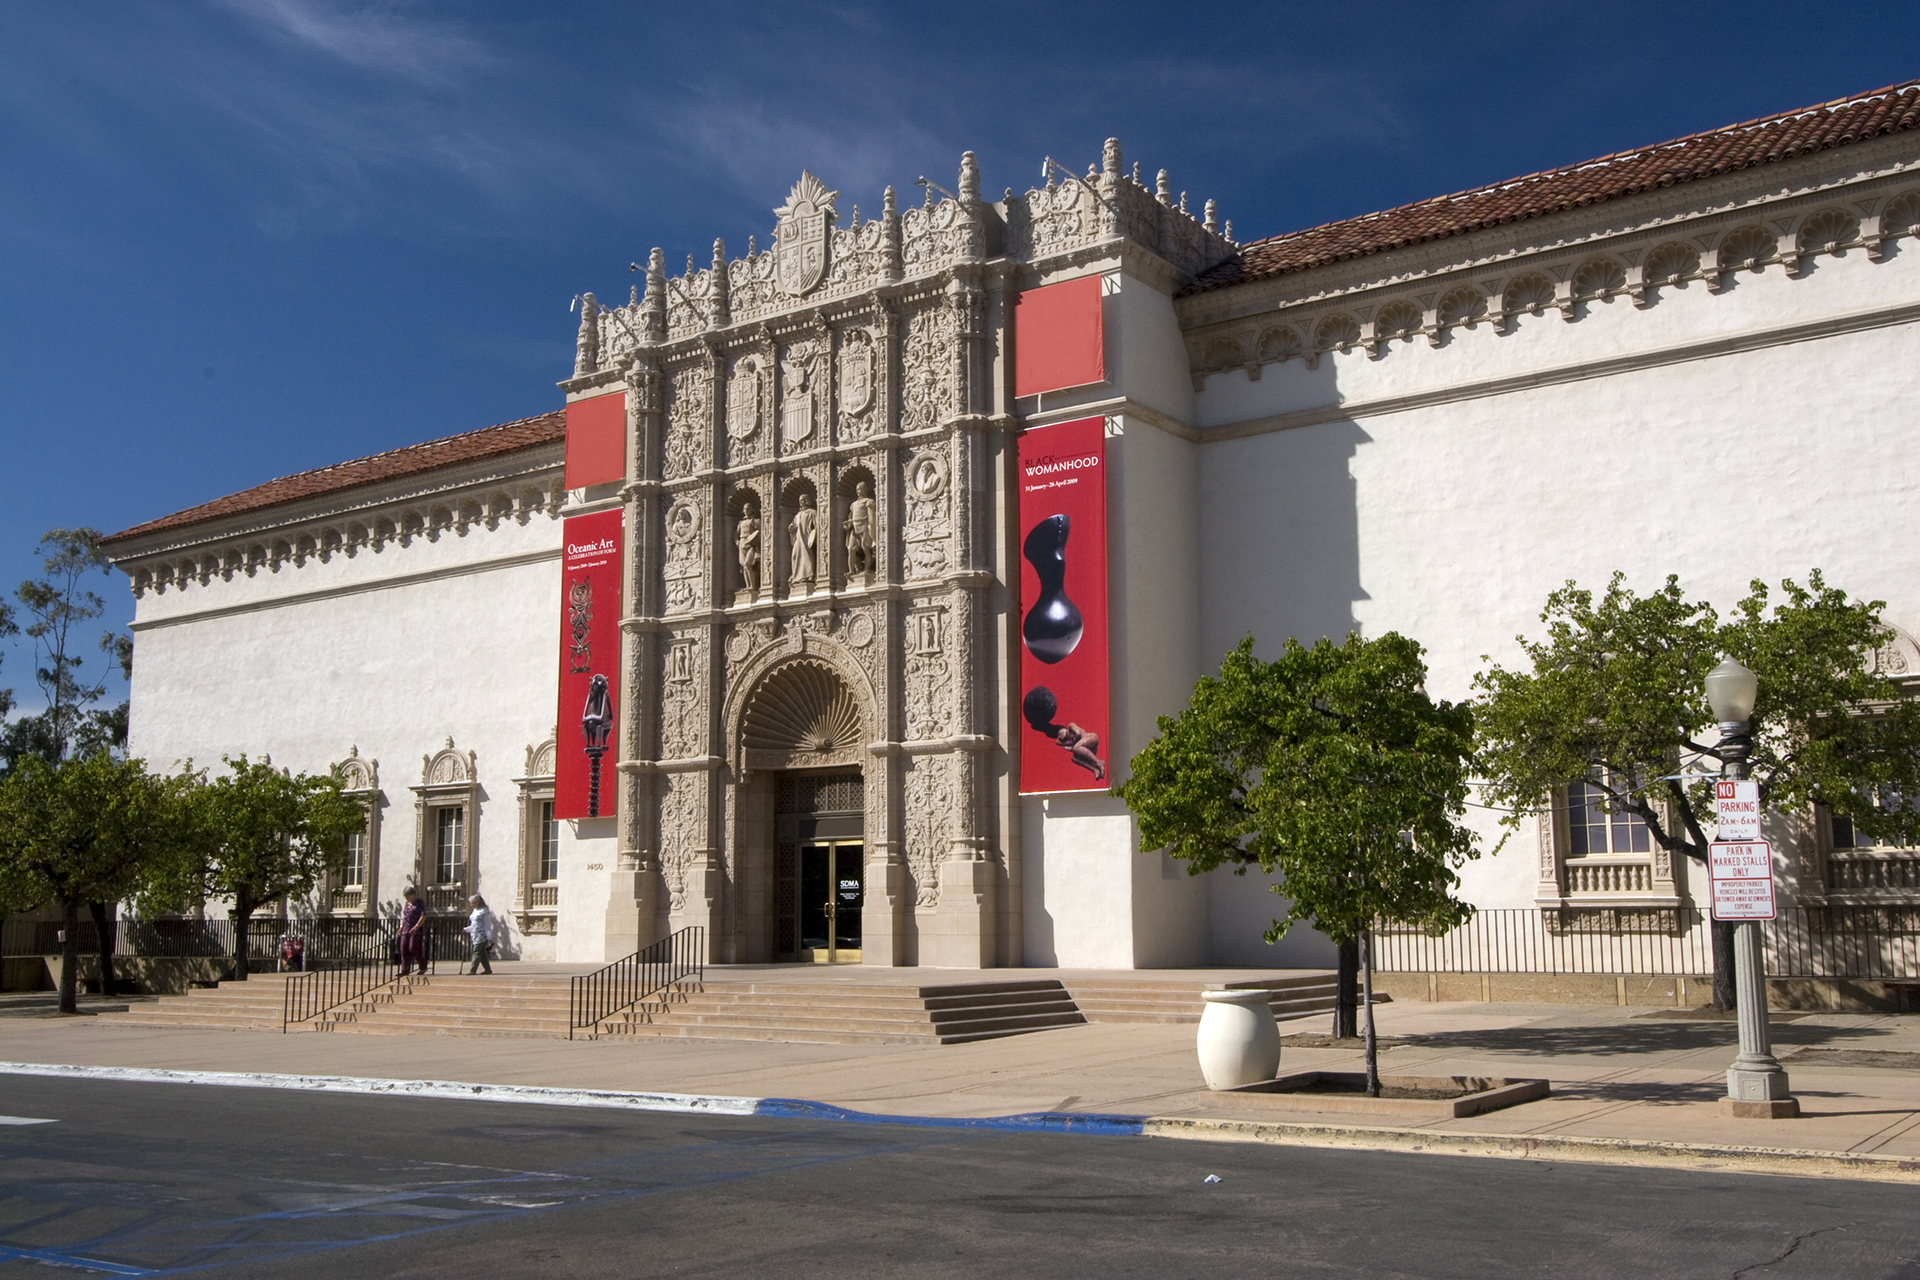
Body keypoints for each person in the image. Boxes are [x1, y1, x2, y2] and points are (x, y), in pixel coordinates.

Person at [398, 887, 427, 976]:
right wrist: (401, 927)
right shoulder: (407, 904)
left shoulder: (419, 903)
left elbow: (423, 915)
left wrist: (416, 927)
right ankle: (405, 969)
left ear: (413, 895)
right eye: (406, 897)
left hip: (415, 929)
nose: (407, 899)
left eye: (408, 896)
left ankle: (423, 966)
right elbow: (405, 916)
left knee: (413, 947)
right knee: (403, 948)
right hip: (406, 928)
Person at [466, 895, 494, 975]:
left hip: (481, 934)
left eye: (473, 903)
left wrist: (488, 934)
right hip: (474, 933)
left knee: (476, 951)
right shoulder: (475, 911)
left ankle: (473, 969)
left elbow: (486, 923)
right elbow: (474, 924)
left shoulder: (484, 911)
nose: (472, 905)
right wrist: (467, 929)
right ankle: (488, 969)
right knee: (482, 953)